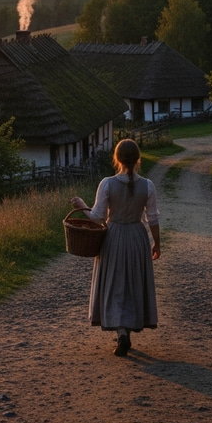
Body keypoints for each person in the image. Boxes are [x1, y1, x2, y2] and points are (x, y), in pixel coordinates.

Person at [71, 138, 161, 357]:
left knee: (116, 284)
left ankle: (121, 332)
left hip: (114, 238)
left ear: (117, 158)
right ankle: (126, 331)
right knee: (133, 283)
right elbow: (152, 219)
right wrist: (157, 243)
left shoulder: (107, 184)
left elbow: (98, 218)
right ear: (138, 159)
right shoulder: (147, 185)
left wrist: (82, 205)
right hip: (137, 237)